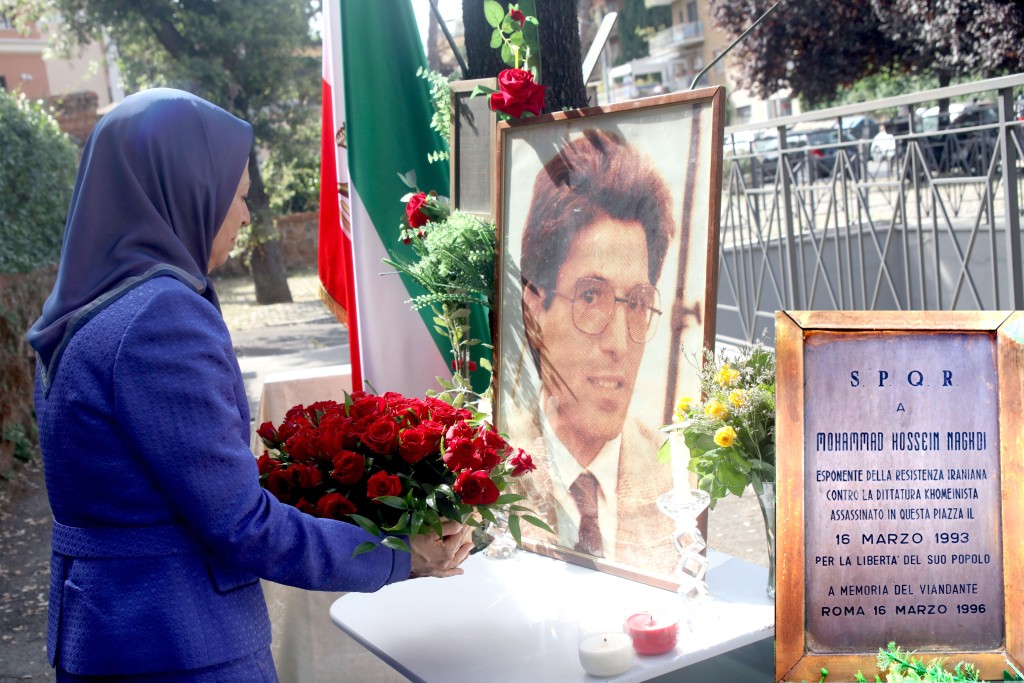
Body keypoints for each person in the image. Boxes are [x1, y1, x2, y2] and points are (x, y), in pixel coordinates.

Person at [27, 88, 472, 682]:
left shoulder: (83, 307)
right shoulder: (160, 317)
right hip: (180, 645)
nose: (243, 215)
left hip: (107, 630)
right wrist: (401, 555)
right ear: (185, 190)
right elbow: (239, 524)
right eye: (235, 196)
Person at [504, 128, 679, 574]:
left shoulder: (679, 474)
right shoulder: (489, 466)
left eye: (638, 303)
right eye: (589, 297)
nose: (620, 343)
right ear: (533, 313)